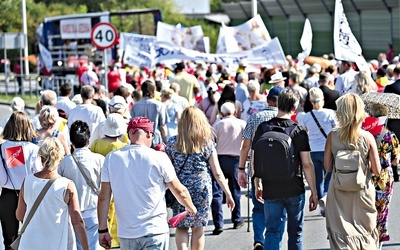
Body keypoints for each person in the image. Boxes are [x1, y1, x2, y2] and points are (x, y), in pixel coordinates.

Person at [97, 117, 197, 250]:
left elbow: (104, 197)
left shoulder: (112, 158)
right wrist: (190, 207)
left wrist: (103, 230)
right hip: (154, 230)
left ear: (129, 134)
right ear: (149, 134)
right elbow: (180, 191)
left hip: (127, 234)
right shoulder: (159, 157)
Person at [253, 88, 318, 250]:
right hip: (294, 187)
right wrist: (314, 192)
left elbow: (255, 158)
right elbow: (307, 164)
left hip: (270, 188)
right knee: (296, 232)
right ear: (294, 108)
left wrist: (257, 182)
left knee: (272, 231)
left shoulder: (263, 128)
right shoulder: (298, 130)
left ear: (277, 104)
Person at [166, 107, 235, 250]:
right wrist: (228, 194)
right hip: (201, 189)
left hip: (180, 189)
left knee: (182, 226)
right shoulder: (206, 143)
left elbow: (166, 170)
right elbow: (218, 173)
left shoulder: (172, 143)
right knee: (198, 228)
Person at [324, 93, 381, 249]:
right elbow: (376, 170)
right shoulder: (368, 137)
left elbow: (327, 166)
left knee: (341, 232)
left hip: (339, 191)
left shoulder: (332, 136)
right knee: (365, 230)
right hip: (362, 191)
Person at [16, 138, 89, 250]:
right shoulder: (67, 185)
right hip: (57, 243)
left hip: (29, 243)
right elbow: (77, 221)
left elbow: (20, 215)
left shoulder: (27, 181)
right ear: (61, 159)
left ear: (41, 158)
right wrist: (86, 247)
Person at [238, 86, 281, 250]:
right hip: (280, 168)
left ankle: (258, 239)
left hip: (257, 167)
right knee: (278, 207)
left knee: (258, 207)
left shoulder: (255, 117)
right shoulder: (284, 118)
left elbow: (245, 146)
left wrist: (241, 168)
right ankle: (274, 241)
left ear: (267, 100)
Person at [58, 121, 104, 250]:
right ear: (88, 141)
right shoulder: (99, 160)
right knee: (92, 246)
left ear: (71, 143)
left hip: (71, 213)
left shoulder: (64, 162)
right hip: (94, 210)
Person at [0, 112, 42, 250]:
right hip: (29, 194)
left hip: (8, 195)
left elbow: (2, 179)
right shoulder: (34, 149)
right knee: (32, 237)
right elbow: (38, 173)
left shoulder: (2, 148)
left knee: (9, 240)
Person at [362, 104, 399, 249]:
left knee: (367, 209)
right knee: (382, 211)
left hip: (367, 176)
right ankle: (378, 244)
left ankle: (367, 239)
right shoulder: (390, 135)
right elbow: (396, 161)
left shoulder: (365, 134)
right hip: (385, 178)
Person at [211, 102, 246, 235]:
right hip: (236, 159)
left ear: (221, 113)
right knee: (235, 190)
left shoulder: (217, 124)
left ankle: (218, 224)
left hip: (220, 159)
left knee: (217, 192)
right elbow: (247, 142)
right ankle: (236, 219)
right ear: (234, 112)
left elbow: (212, 142)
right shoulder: (241, 123)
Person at [300, 87, 336, 206]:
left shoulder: (305, 117)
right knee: (329, 177)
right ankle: (327, 198)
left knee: (318, 180)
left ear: (310, 101)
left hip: (312, 149)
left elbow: (303, 134)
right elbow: (336, 130)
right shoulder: (330, 113)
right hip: (328, 149)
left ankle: (321, 200)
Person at [130, 80, 168, 146]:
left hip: (139, 138)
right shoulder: (160, 105)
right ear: (154, 90)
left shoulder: (135, 106)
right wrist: (166, 141)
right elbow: (162, 126)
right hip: (155, 138)